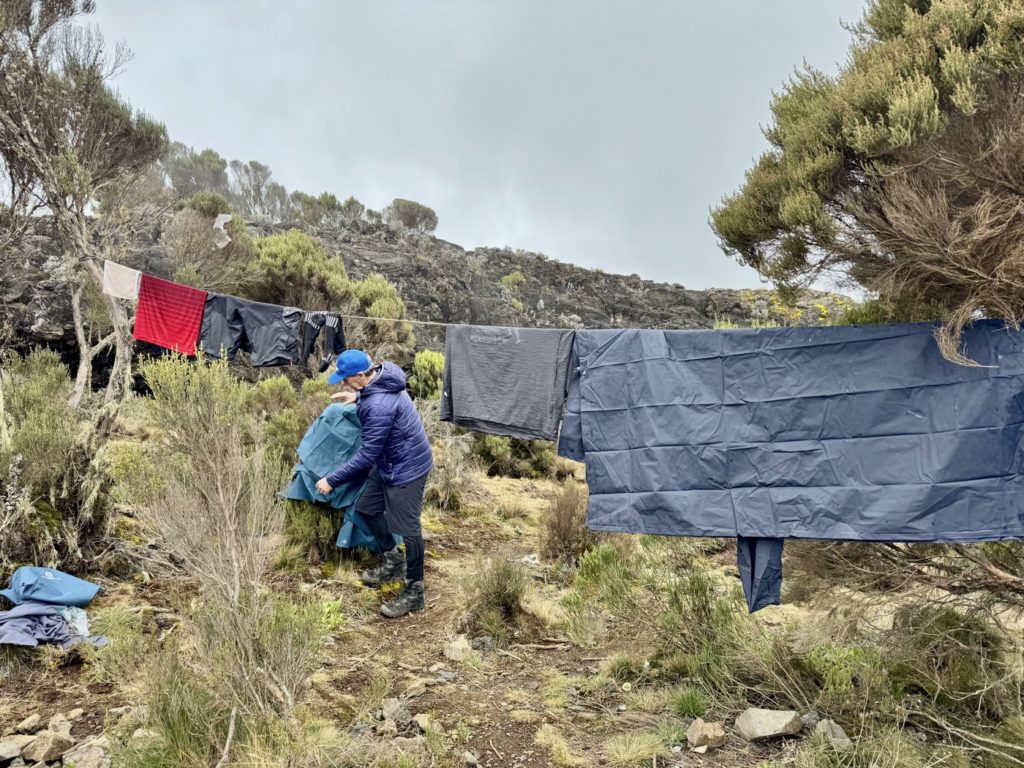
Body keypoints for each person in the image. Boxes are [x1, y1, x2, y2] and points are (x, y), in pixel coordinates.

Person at [315, 349, 433, 618]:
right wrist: (357, 396)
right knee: (367, 508)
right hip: (391, 461)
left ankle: (415, 591)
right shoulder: (382, 376)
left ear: (360, 375)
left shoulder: (376, 406)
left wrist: (331, 480)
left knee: (409, 527)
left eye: (347, 379)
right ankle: (393, 560)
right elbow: (378, 399)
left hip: (407, 468)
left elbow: (367, 455)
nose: (344, 383)